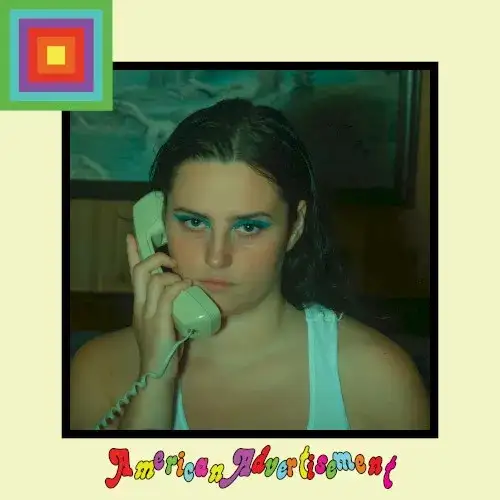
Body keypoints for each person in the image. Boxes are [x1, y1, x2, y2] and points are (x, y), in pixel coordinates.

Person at [70, 98, 429, 431]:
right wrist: (155, 379)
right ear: (158, 221)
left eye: (248, 227)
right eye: (194, 222)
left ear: (295, 227)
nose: (216, 257)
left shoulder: (377, 378)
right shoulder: (99, 372)